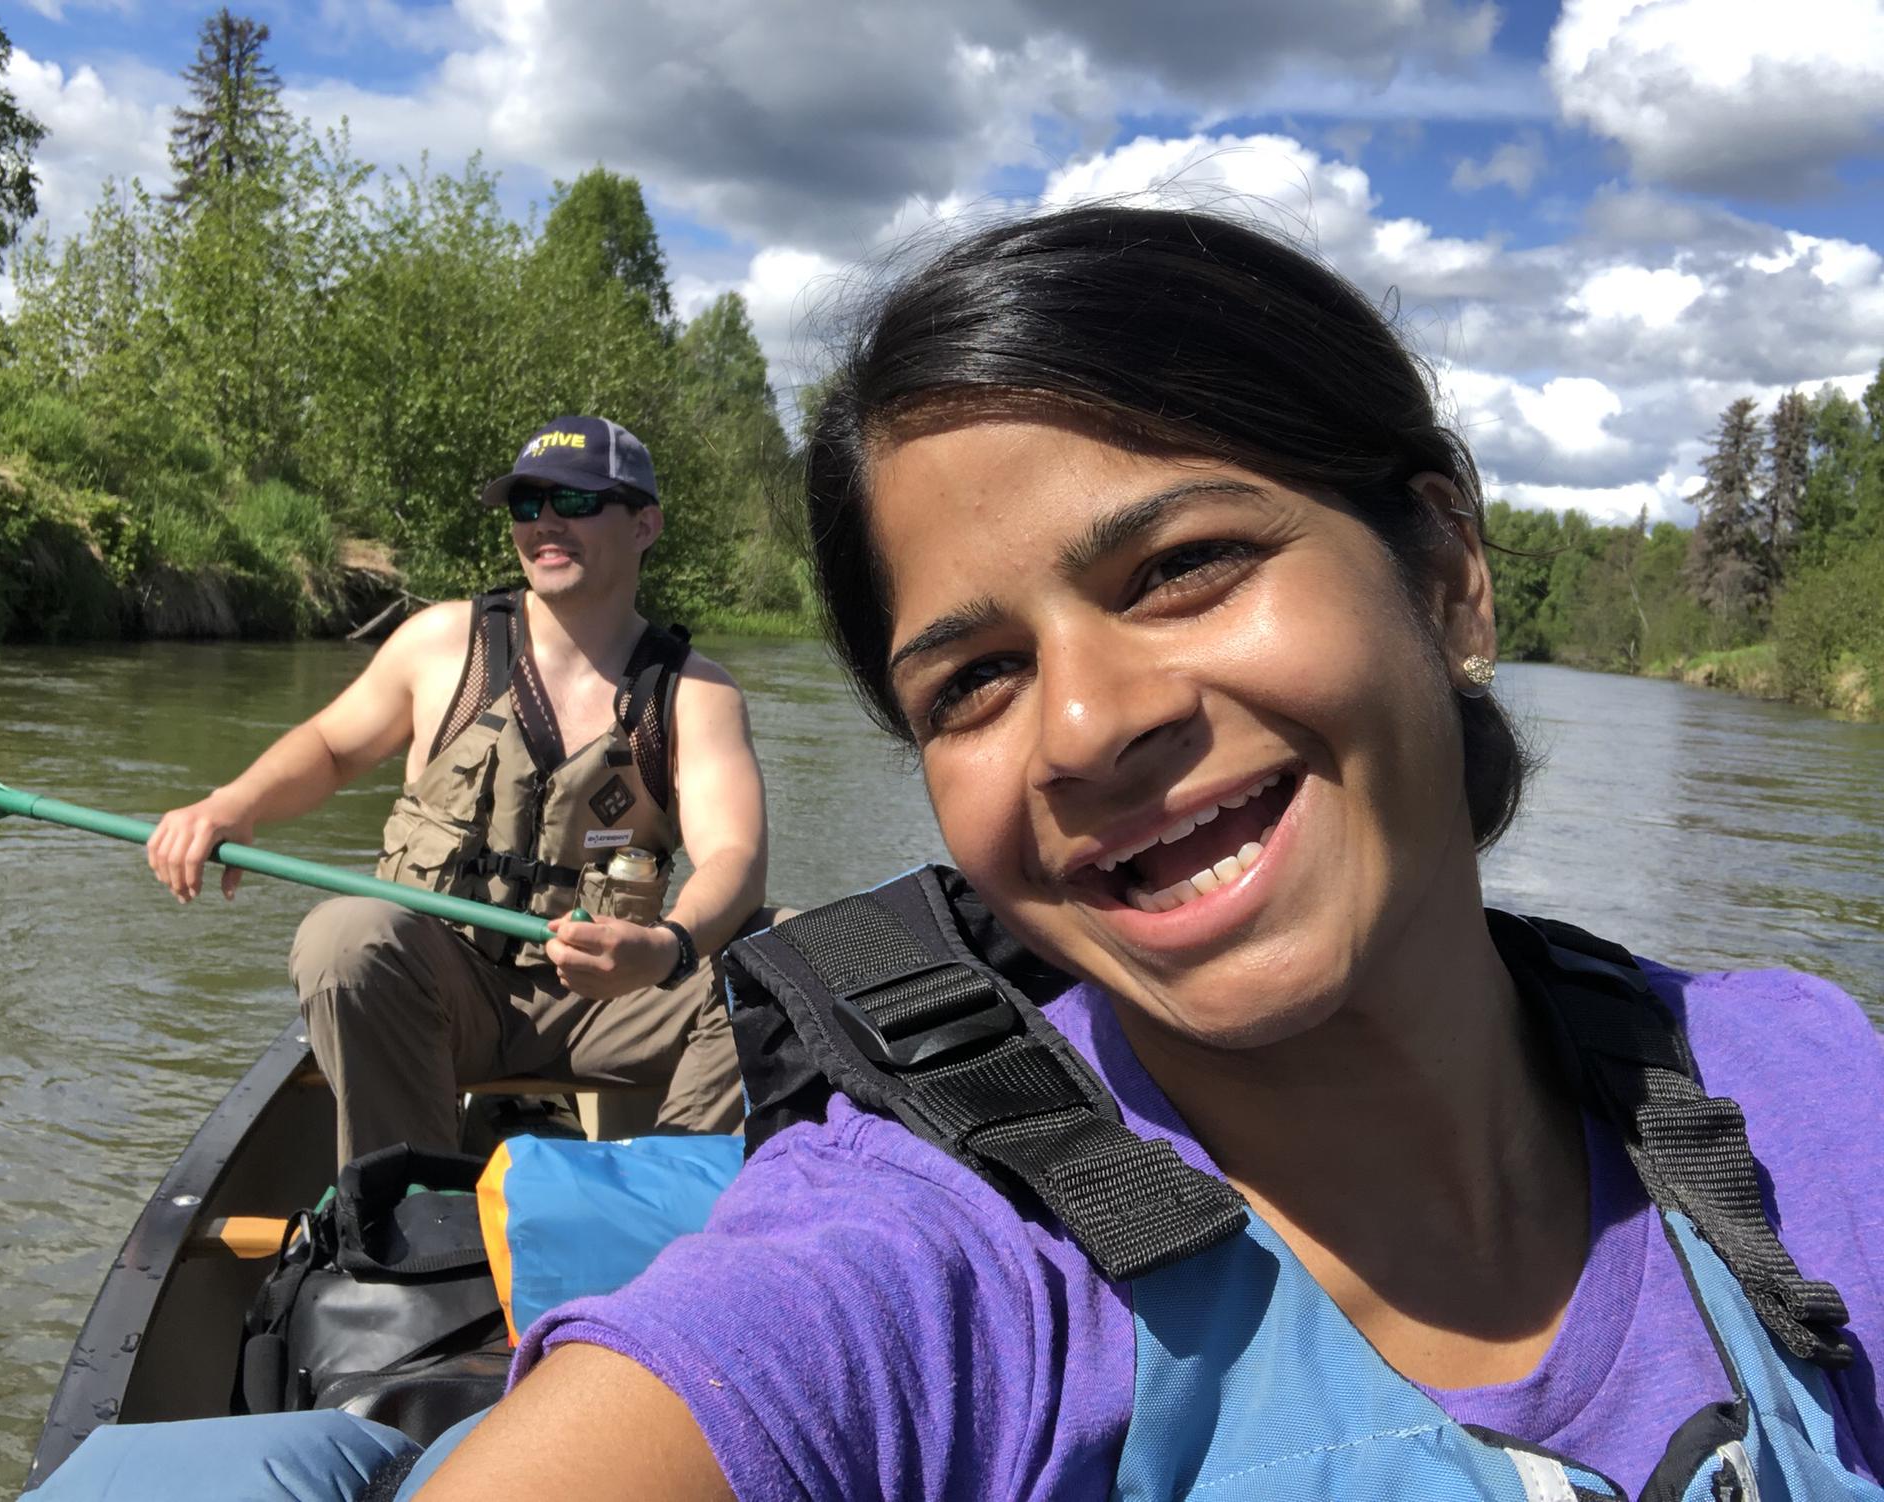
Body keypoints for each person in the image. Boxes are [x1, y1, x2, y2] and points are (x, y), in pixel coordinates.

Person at [405, 209, 1884, 1501]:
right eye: (972, 679)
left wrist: (668, 939)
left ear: (1445, 577)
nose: (1087, 726)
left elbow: (717, 861)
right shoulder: (925, 1270)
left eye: (1183, 568)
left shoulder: (1814, 1086)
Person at [146, 415, 773, 1164]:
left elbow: (735, 853)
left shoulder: (694, 693)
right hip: (444, 992)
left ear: (644, 525)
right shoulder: (443, 643)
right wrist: (233, 805)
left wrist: (664, 948)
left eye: (574, 503)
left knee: (785, 951)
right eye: (526, 504)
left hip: (612, 999)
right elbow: (330, 747)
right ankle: (410, 1217)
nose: (544, 522)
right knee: (345, 936)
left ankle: (664, 1207)